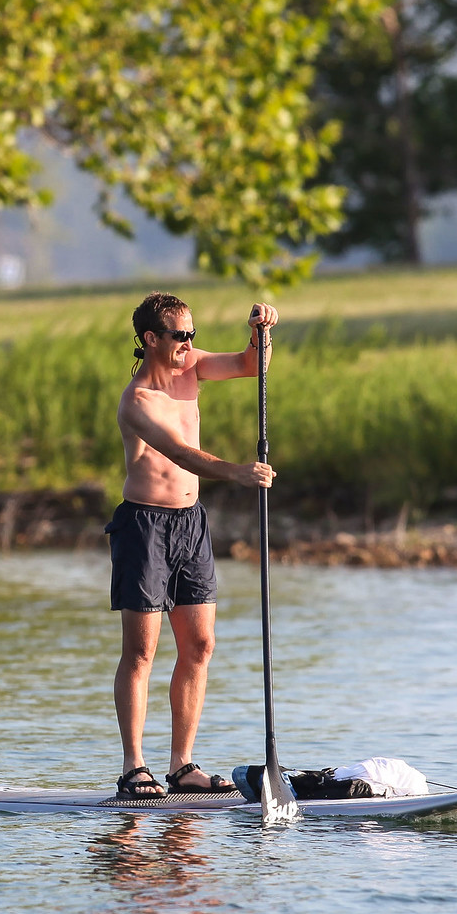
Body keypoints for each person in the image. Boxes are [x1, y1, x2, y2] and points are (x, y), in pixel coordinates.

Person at [107, 292, 277, 800]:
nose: (188, 343)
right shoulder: (136, 401)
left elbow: (250, 365)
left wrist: (261, 333)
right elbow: (181, 453)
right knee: (141, 652)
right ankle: (134, 768)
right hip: (144, 527)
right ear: (150, 339)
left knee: (200, 646)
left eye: (192, 334)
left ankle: (181, 767)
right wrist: (238, 473)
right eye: (179, 336)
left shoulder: (193, 367)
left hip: (191, 525)